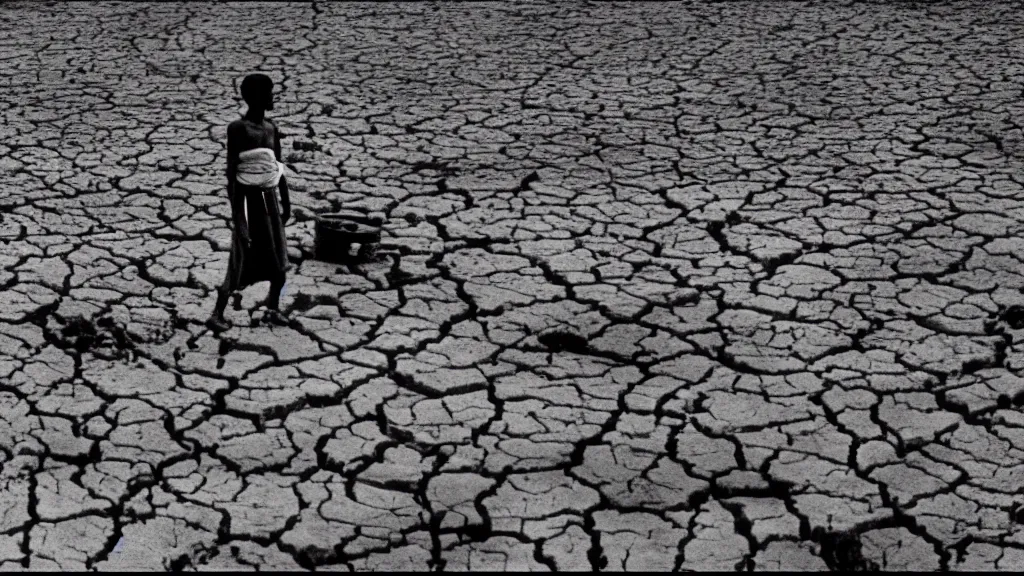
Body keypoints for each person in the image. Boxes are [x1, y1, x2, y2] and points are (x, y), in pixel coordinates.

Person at [207, 73, 291, 332]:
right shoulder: (238, 129)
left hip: (269, 202)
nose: (272, 97)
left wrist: (286, 204)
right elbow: (232, 175)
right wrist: (239, 219)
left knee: (278, 259)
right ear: (254, 97)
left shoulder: (271, 128)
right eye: (268, 92)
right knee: (241, 257)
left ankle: (273, 308)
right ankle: (217, 313)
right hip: (248, 202)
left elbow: (277, 167)